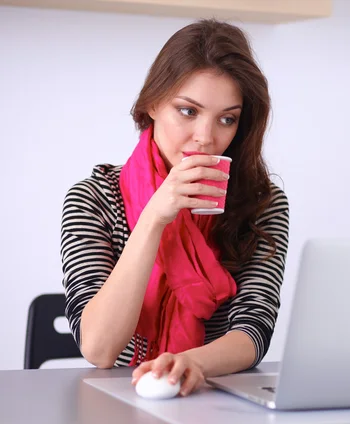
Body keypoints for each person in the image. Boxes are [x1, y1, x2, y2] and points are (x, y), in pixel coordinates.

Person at [60, 19, 290, 397]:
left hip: (213, 394)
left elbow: (253, 330)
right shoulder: (94, 197)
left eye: (227, 119)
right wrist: (154, 217)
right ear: (152, 103)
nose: (205, 137)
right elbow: (99, 350)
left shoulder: (262, 204)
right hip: (116, 397)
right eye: (188, 111)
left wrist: (194, 363)